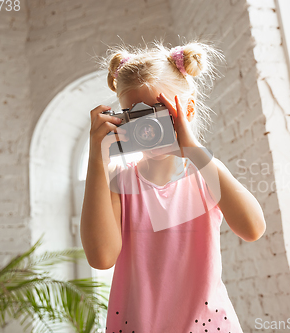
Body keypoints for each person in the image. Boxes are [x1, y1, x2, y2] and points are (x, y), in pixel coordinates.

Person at [80, 39, 266, 333]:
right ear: (121, 120)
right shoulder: (118, 183)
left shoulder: (204, 173)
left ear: (187, 111)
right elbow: (101, 258)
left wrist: (195, 151)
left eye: (158, 111)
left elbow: (253, 229)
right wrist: (97, 158)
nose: (147, 125)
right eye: (135, 115)